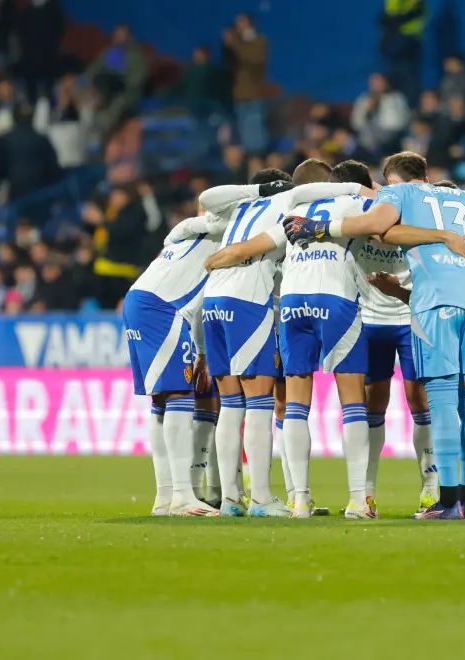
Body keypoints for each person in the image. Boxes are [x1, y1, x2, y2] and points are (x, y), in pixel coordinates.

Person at [285, 151, 465, 519]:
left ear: (394, 180)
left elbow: (377, 225)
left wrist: (320, 228)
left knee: (438, 403)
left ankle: (449, 502)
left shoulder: (399, 194)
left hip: (435, 303)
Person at [193, 164, 365, 517]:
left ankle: (230, 499)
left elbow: (206, 199)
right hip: (247, 301)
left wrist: (219, 255)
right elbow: (261, 244)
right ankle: (261, 499)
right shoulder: (293, 203)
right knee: (260, 402)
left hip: (213, 301)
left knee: (230, 404)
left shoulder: (242, 207)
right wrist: (362, 189)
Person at [336, 160, 438, 515]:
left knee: (420, 402)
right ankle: (365, 494)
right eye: (387, 183)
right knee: (371, 405)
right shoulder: (366, 210)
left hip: (412, 317)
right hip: (370, 319)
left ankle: (431, 488)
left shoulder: (424, 215)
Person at [123, 213, 225, 517]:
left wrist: (202, 353)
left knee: (162, 402)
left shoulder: (186, 238)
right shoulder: (223, 236)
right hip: (162, 308)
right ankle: (182, 495)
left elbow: (179, 229)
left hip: (139, 299)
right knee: (180, 397)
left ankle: (165, 496)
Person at [223, 14, 269, 153]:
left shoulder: (258, 40)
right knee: (243, 128)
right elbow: (229, 64)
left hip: (253, 93)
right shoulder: (238, 42)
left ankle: (257, 156)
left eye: (241, 22)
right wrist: (228, 44)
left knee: (255, 128)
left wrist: (236, 44)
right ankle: (248, 156)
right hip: (239, 93)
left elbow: (254, 60)